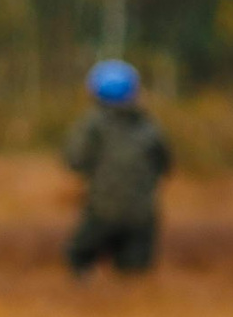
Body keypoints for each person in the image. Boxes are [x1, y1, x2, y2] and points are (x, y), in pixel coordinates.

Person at [63, 59, 171, 276]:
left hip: (101, 212)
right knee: (134, 276)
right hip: (143, 217)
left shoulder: (91, 124)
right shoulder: (149, 125)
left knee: (78, 255)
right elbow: (164, 165)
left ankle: (84, 290)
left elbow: (74, 160)